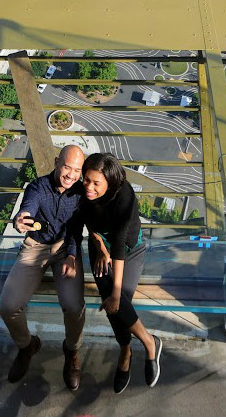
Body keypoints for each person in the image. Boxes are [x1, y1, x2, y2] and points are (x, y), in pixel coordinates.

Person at [0, 144, 86, 390]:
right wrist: (21, 219)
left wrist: (70, 256)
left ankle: (71, 351)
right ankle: (27, 346)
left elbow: (76, 231)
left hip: (64, 248)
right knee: (8, 306)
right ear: (57, 162)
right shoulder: (38, 186)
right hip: (35, 247)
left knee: (73, 305)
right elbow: (28, 207)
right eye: (67, 167)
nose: (70, 174)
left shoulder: (80, 194)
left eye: (76, 170)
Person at [74, 152, 162, 394]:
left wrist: (114, 292)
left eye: (95, 183)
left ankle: (129, 350)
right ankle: (145, 343)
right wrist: (101, 248)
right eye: (86, 180)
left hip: (129, 250)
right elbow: (86, 223)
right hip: (100, 249)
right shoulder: (83, 191)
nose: (88, 187)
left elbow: (121, 243)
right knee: (115, 303)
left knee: (118, 300)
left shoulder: (124, 195)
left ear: (110, 184)